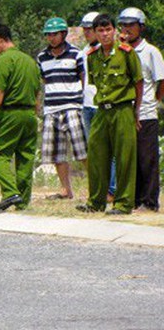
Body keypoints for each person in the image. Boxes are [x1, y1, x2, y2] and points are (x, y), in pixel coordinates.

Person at [77, 14, 143, 215]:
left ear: (114, 30)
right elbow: (95, 85)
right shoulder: (92, 56)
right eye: (100, 31)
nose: (105, 34)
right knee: (96, 155)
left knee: (124, 157)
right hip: (101, 110)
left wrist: (136, 112)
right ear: (95, 33)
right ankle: (96, 201)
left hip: (122, 108)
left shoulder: (126, 53)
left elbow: (138, 83)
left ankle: (123, 204)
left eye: (108, 30)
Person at [0, 24, 41, 212]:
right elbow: (37, 91)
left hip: (10, 113)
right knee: (25, 157)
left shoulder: (4, 60)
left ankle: (10, 193)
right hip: (30, 114)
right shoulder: (29, 61)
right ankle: (23, 202)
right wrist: (35, 113)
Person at [118, 7, 164, 212]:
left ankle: (149, 201)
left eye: (131, 25)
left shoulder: (150, 51)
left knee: (147, 158)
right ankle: (133, 199)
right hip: (125, 112)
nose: (127, 29)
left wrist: (152, 101)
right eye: (124, 25)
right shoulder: (120, 51)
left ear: (141, 27)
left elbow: (160, 80)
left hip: (145, 112)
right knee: (129, 159)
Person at [36, 17, 87, 200]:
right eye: (48, 34)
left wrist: (82, 100)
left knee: (82, 150)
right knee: (57, 153)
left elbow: (83, 77)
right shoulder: (42, 57)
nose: (51, 38)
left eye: (54, 34)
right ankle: (66, 189)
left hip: (72, 106)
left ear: (63, 34)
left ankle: (97, 187)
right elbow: (43, 80)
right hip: (51, 108)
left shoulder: (76, 53)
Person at [80, 12, 117, 202]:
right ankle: (98, 191)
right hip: (87, 105)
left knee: (111, 151)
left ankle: (112, 189)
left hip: (105, 105)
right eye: (85, 28)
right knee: (94, 151)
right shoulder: (85, 53)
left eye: (89, 29)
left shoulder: (115, 51)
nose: (87, 32)